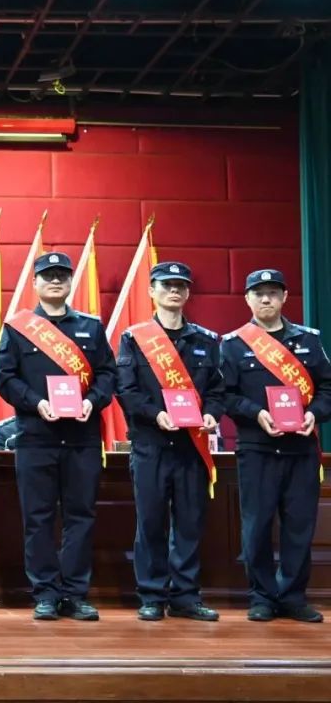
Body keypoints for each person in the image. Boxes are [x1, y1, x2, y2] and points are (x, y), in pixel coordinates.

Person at [0, 252, 116, 622]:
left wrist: (92, 402)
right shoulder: (18, 327)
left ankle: (75, 594)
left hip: (81, 436)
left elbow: (108, 374)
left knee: (81, 516)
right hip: (36, 435)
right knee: (38, 518)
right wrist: (36, 403)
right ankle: (45, 593)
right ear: (35, 283)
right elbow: (5, 377)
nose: (56, 281)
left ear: (71, 282)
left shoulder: (91, 327)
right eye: (48, 276)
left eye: (62, 275)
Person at [221, 268, 331, 623]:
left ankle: (293, 597)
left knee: (299, 526)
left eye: (272, 292)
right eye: (258, 293)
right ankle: (262, 597)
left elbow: (328, 388)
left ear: (284, 297)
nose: (266, 299)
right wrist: (256, 414)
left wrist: (315, 413)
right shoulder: (233, 344)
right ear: (247, 299)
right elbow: (225, 396)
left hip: (301, 450)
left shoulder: (309, 340)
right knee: (256, 527)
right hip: (257, 450)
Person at [116, 261, 224, 622]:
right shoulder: (134, 338)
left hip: (192, 445)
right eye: (166, 285)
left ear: (188, 292)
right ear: (152, 291)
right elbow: (126, 389)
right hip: (151, 444)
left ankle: (185, 596)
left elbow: (218, 390)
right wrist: (154, 414)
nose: (174, 291)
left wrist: (212, 414)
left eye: (180, 285)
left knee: (190, 523)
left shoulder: (206, 340)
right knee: (150, 522)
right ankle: (151, 595)